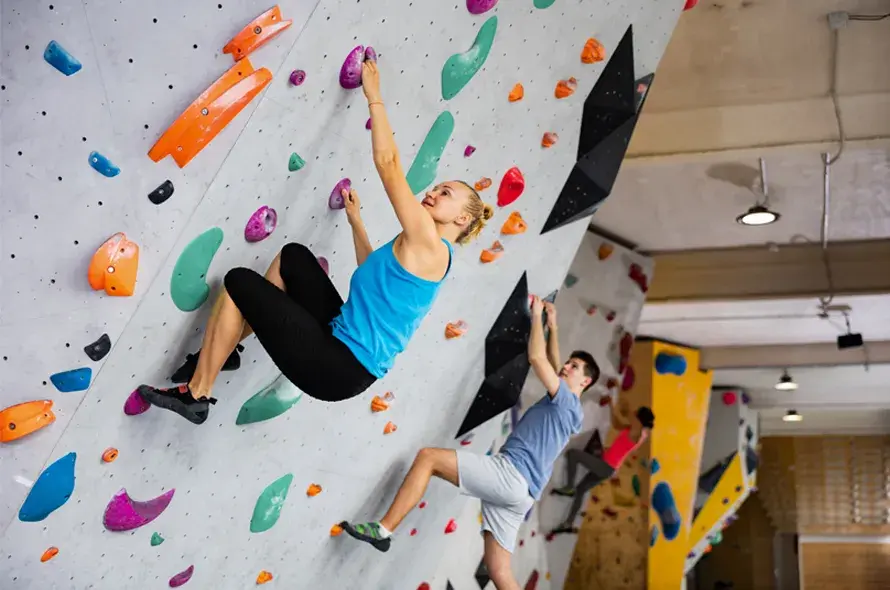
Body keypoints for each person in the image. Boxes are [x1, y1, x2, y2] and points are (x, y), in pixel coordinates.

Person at [136, 57, 494, 424]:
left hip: (338, 368)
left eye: (445, 193)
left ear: (462, 219)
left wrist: (374, 97)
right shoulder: (422, 251)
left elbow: (388, 165)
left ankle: (198, 394)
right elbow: (374, 275)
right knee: (293, 257)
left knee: (238, 283)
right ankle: (226, 349)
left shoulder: (430, 244)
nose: (434, 193)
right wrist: (357, 223)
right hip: (342, 340)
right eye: (437, 187)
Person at [340, 298, 599, 590]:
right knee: (499, 571)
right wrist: (553, 326)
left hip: (511, 475)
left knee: (428, 458)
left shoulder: (565, 400)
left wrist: (537, 315)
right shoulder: (570, 410)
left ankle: (383, 530)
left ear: (586, 381)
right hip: (522, 495)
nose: (566, 366)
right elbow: (553, 362)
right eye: (568, 363)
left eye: (574, 367)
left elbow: (539, 359)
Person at [549, 397, 654, 533]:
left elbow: (628, 413)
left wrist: (621, 400)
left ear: (640, 421)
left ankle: (569, 487)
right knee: (580, 490)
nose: (633, 416)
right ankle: (568, 523)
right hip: (608, 467)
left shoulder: (638, 434)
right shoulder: (635, 430)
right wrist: (611, 405)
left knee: (573, 454)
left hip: (606, 466)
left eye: (636, 415)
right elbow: (617, 424)